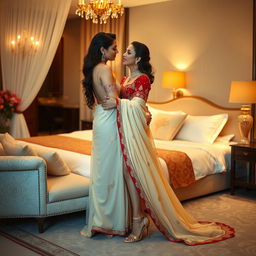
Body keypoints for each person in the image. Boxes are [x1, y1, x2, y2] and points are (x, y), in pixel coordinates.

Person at [102, 41, 235, 245]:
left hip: (136, 134)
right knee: (125, 172)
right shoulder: (125, 78)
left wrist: (120, 103)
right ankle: (127, 219)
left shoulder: (143, 79)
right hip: (125, 130)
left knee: (133, 172)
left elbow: (137, 105)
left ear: (138, 58)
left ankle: (139, 221)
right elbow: (137, 107)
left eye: (128, 52)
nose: (124, 54)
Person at [80, 32, 129, 237]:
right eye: (114, 48)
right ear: (102, 50)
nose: (117, 51)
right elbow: (112, 101)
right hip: (109, 121)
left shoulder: (94, 69)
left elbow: (108, 101)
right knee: (110, 170)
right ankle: (109, 221)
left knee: (103, 170)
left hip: (100, 119)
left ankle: (102, 219)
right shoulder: (105, 70)